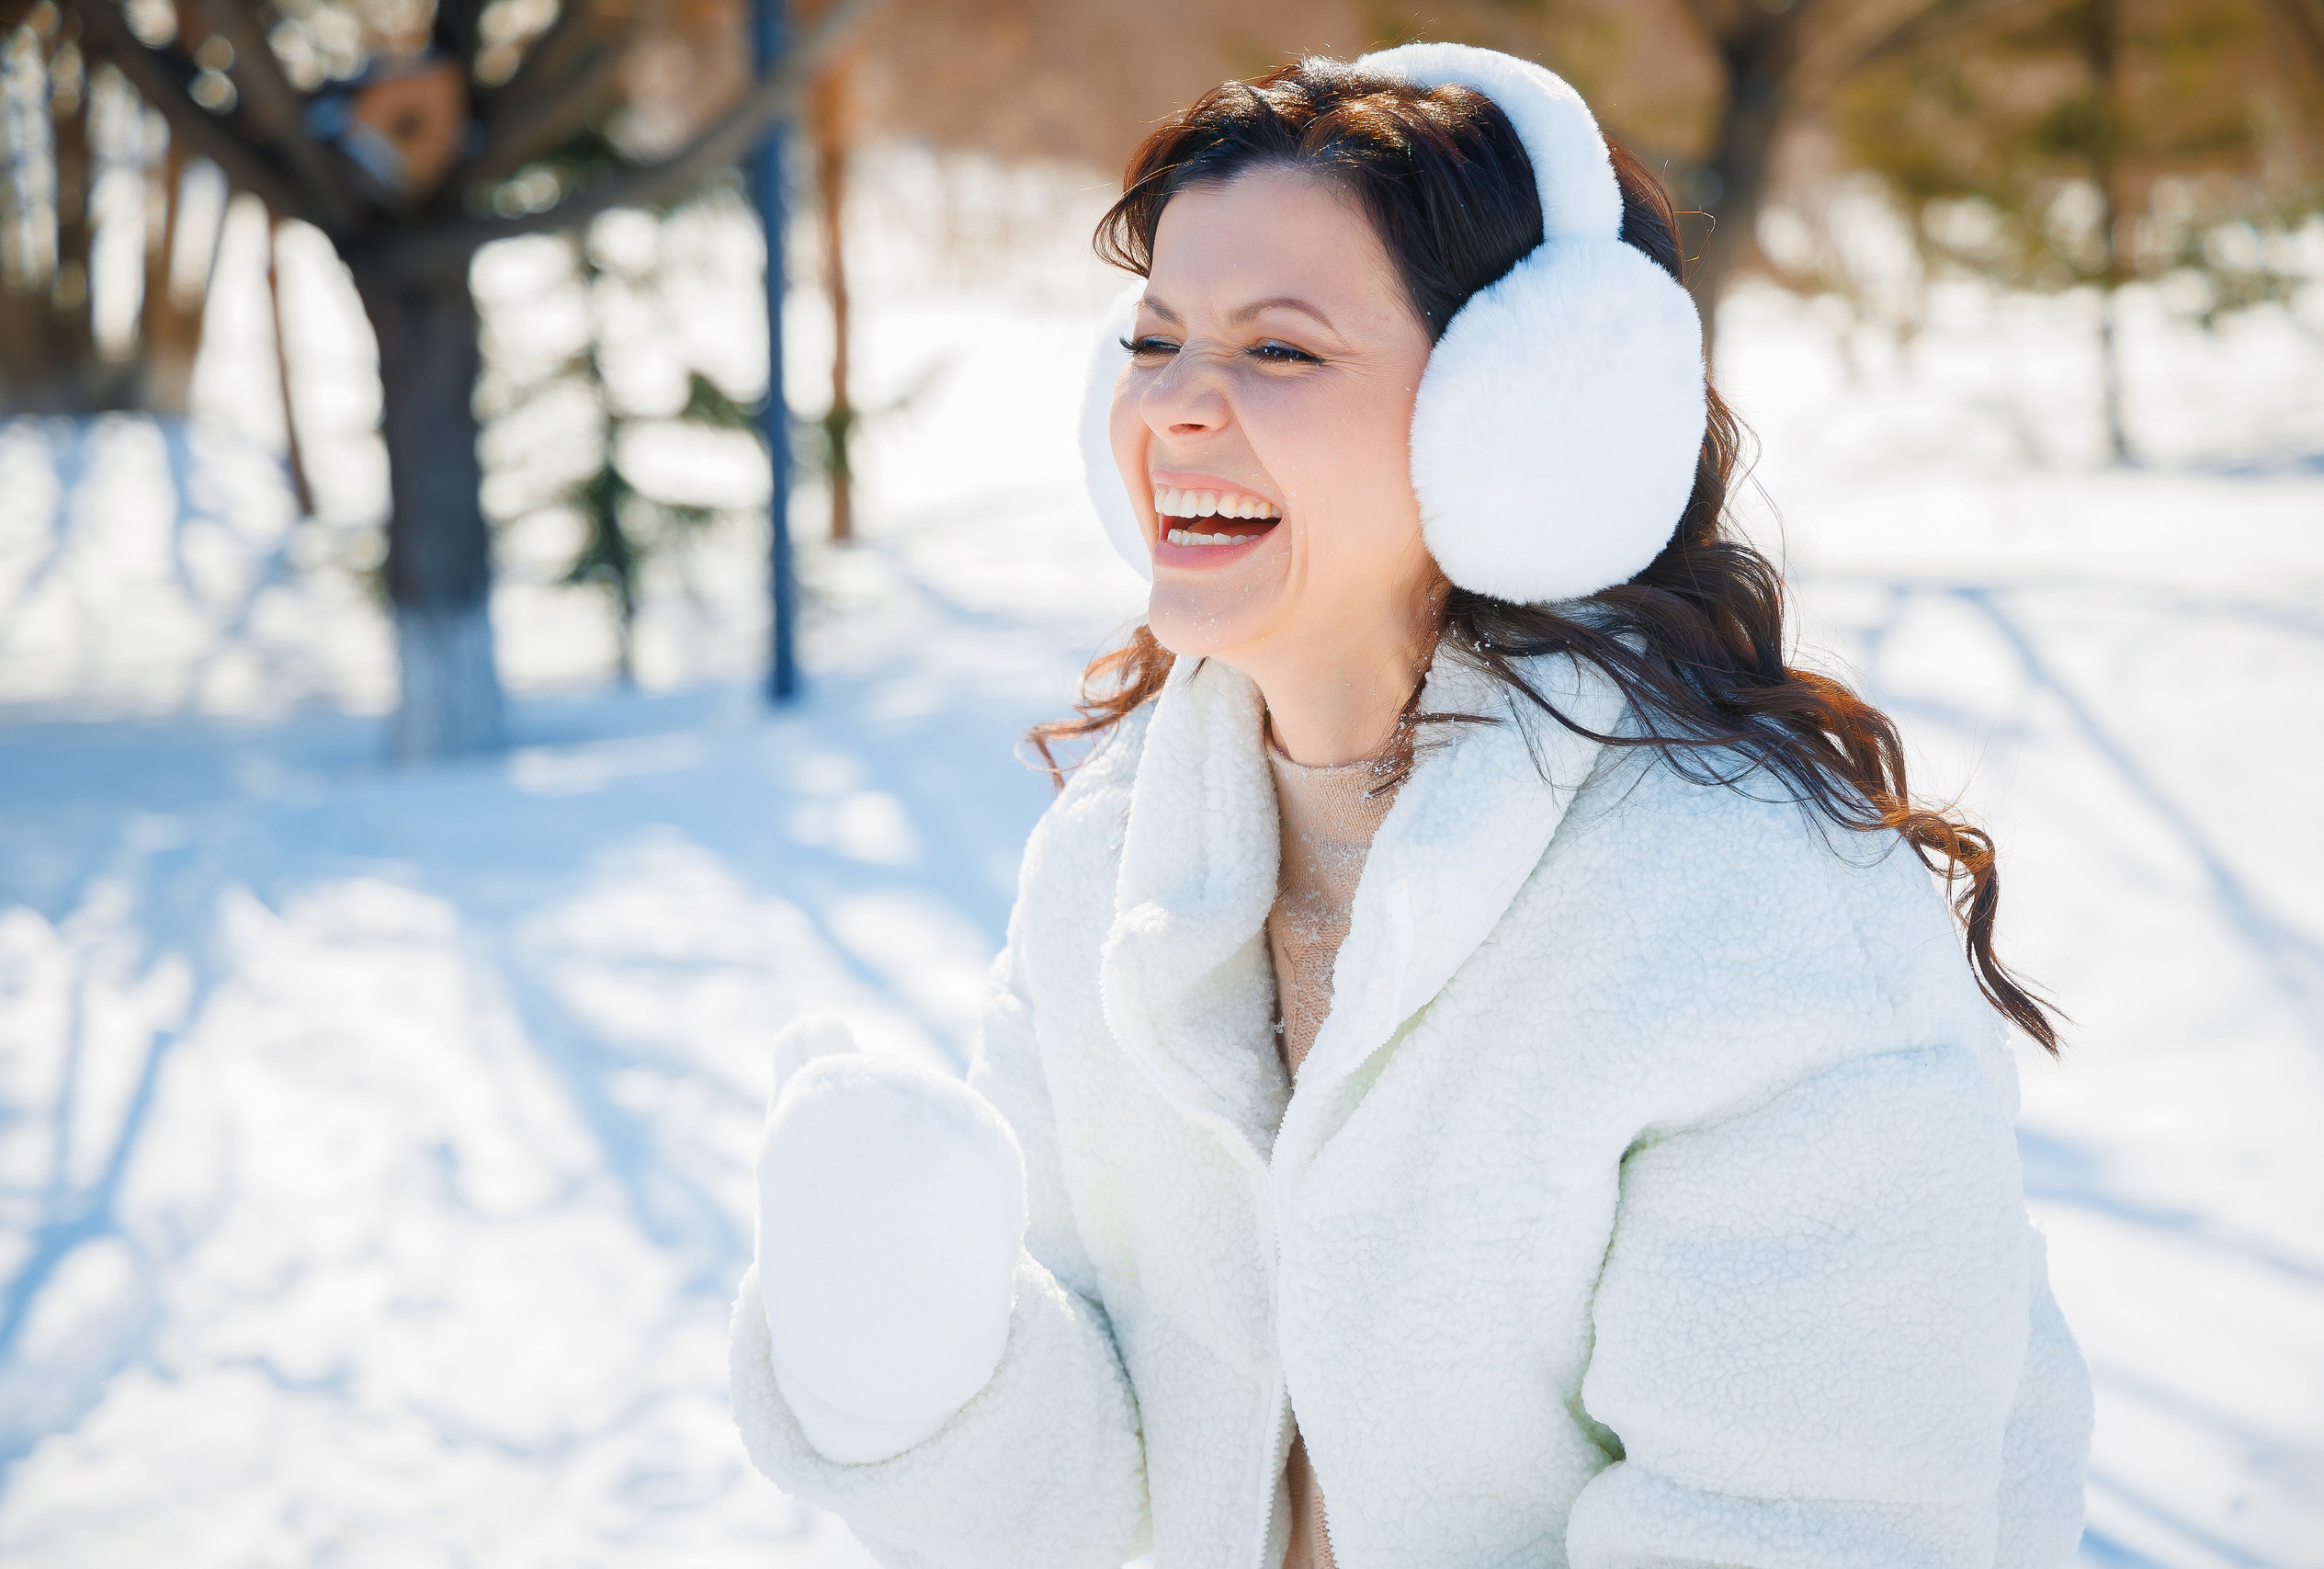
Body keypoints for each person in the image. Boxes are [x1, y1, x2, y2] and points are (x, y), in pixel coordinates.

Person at [729, 42, 2093, 1569]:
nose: (1177, 407)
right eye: (1157, 339)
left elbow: (1810, 1524)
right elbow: (1105, 1498)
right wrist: (915, 1364)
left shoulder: (1745, 921)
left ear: (1519, 425)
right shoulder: (1117, 866)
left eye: (1282, 352)